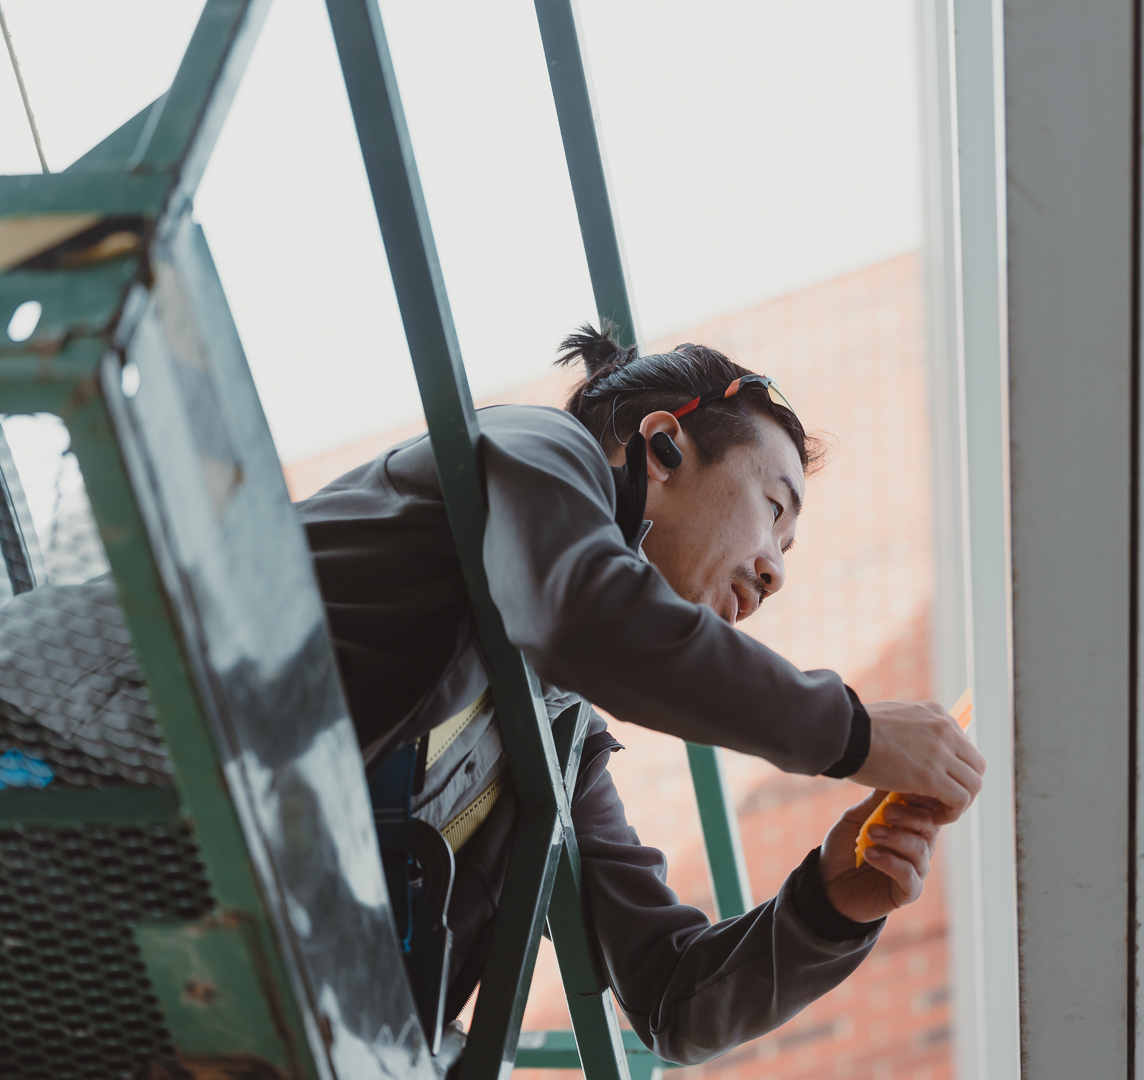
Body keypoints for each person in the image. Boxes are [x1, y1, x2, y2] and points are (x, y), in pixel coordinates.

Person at [296, 324, 987, 1063]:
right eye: (773, 510)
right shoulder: (532, 443)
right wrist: (852, 734)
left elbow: (673, 997)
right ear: (662, 447)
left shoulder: (559, 745)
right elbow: (583, 614)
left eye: (785, 554)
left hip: (311, 983)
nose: (776, 574)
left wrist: (829, 906)